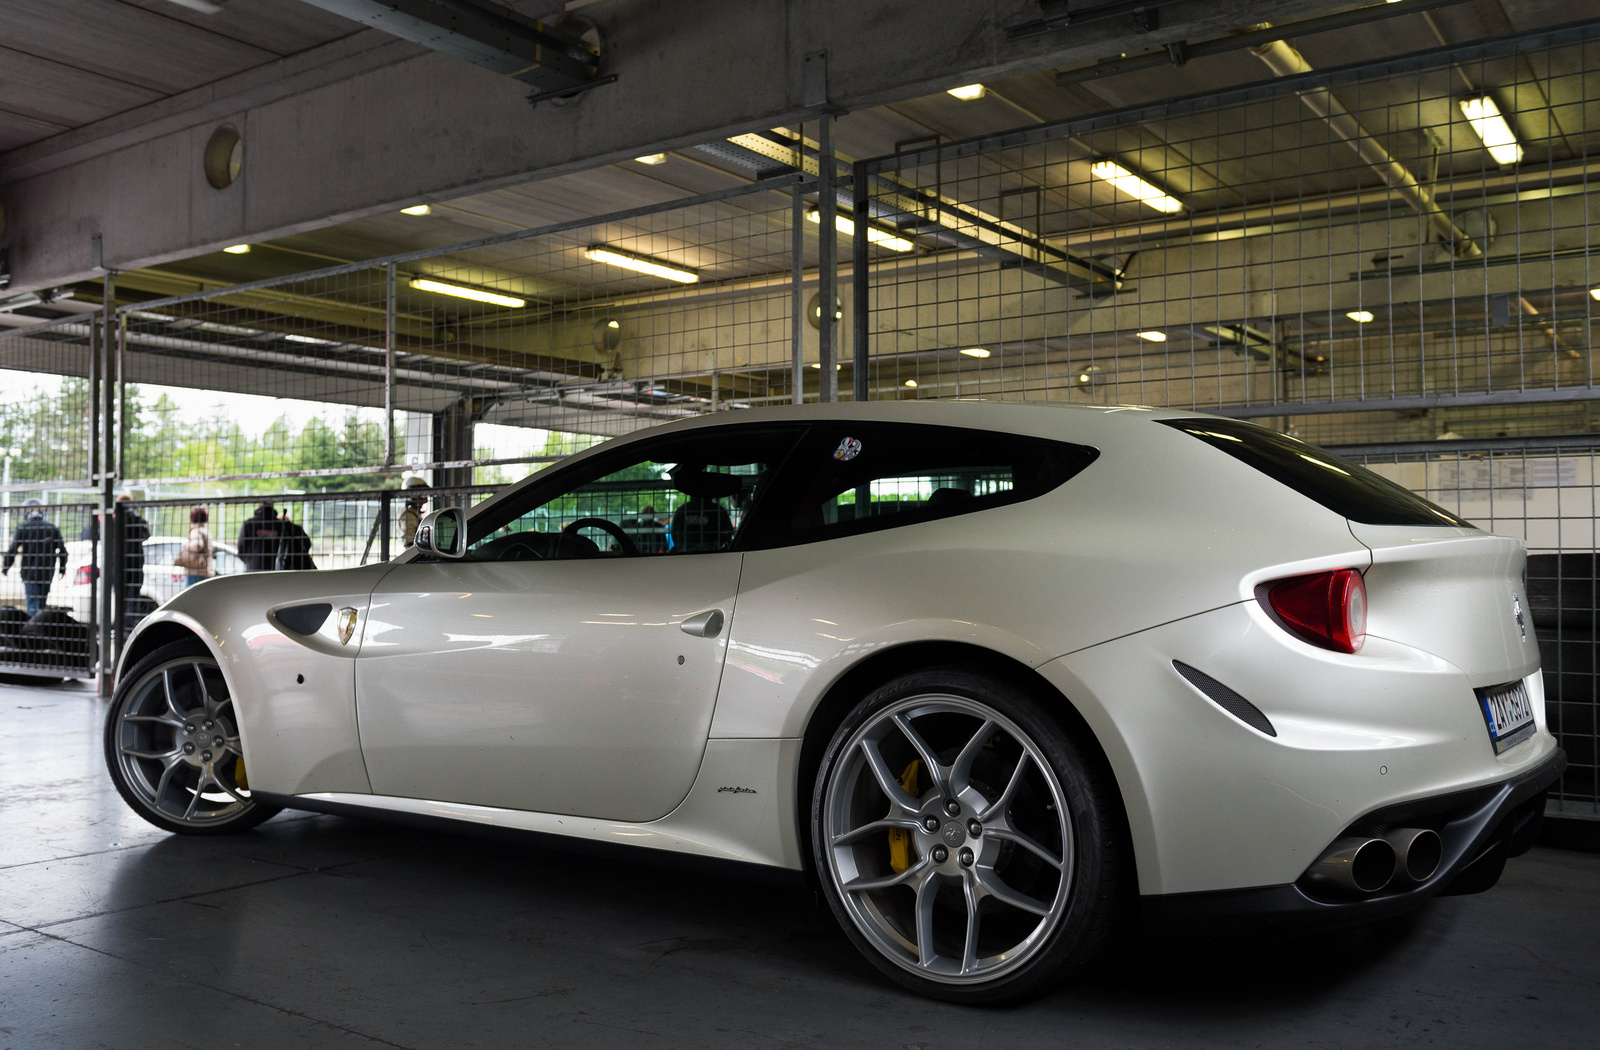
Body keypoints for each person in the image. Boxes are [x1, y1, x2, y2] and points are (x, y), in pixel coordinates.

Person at [2, 498, 68, 617]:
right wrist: (62, 569)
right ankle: (39, 629)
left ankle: (32, 631)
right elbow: (63, 551)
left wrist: (6, 567)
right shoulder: (51, 528)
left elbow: (13, 549)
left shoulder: (23, 528)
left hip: (29, 572)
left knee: (32, 603)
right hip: (47, 571)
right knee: (42, 603)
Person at [237, 501, 284, 571]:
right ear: (272, 506)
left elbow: (241, 548)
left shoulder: (249, 524)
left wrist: (250, 560)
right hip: (276, 568)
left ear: (259, 506)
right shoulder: (281, 526)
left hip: (253, 568)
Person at [180, 507, 213, 589]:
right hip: (206, 570)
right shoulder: (206, 531)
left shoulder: (196, 531)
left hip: (195, 572)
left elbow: (197, 545)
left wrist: (185, 543)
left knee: (191, 597)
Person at [399, 476, 429, 549]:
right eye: (421, 495)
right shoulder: (408, 515)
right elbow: (408, 543)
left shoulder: (413, 513)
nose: (424, 498)